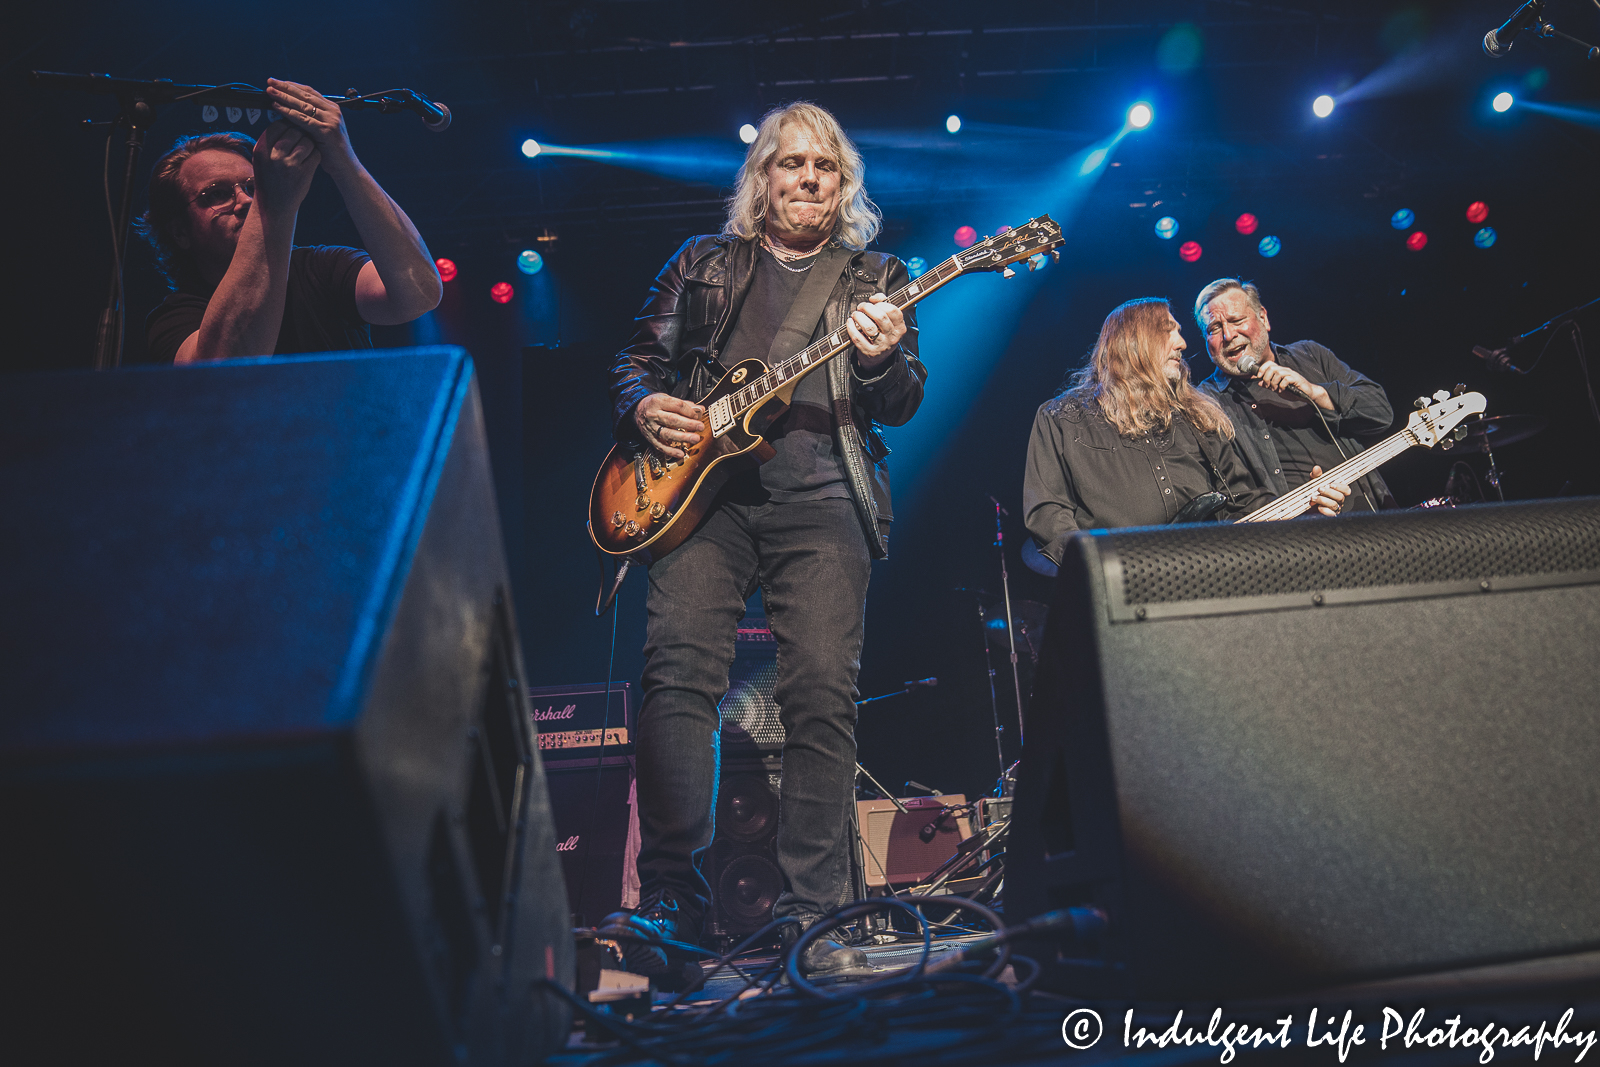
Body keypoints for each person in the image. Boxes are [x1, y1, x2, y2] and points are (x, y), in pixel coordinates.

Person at [603, 101, 924, 983]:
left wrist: (878, 358)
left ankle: (811, 911)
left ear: (844, 184)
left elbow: (900, 401)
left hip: (822, 499)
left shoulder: (877, 276)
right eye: (791, 163)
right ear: (763, 179)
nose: (808, 178)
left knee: (822, 691)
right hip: (702, 501)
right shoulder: (702, 264)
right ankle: (671, 898)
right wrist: (642, 404)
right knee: (677, 677)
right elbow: (635, 360)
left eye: (826, 166)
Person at [1023, 298, 1346, 571]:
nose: (1183, 343)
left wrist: (1303, 511)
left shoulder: (1196, 414)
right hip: (1121, 590)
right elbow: (1047, 513)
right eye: (1169, 332)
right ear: (1134, 340)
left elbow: (1243, 502)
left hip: (1208, 576)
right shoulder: (1063, 417)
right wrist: (1097, 570)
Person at [139, 78, 441, 364]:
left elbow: (419, 295)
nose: (245, 201)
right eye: (217, 194)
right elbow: (224, 371)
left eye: (253, 187)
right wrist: (272, 206)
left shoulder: (320, 267)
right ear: (179, 232)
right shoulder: (176, 317)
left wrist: (344, 161)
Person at [1194, 278, 1396, 512]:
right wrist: (1301, 506)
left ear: (1263, 318)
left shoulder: (1310, 355)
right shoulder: (1205, 403)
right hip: (1298, 540)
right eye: (1214, 329)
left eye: (1237, 320)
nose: (1228, 335)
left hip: (1373, 514)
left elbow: (1382, 413)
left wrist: (1317, 393)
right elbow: (1226, 498)